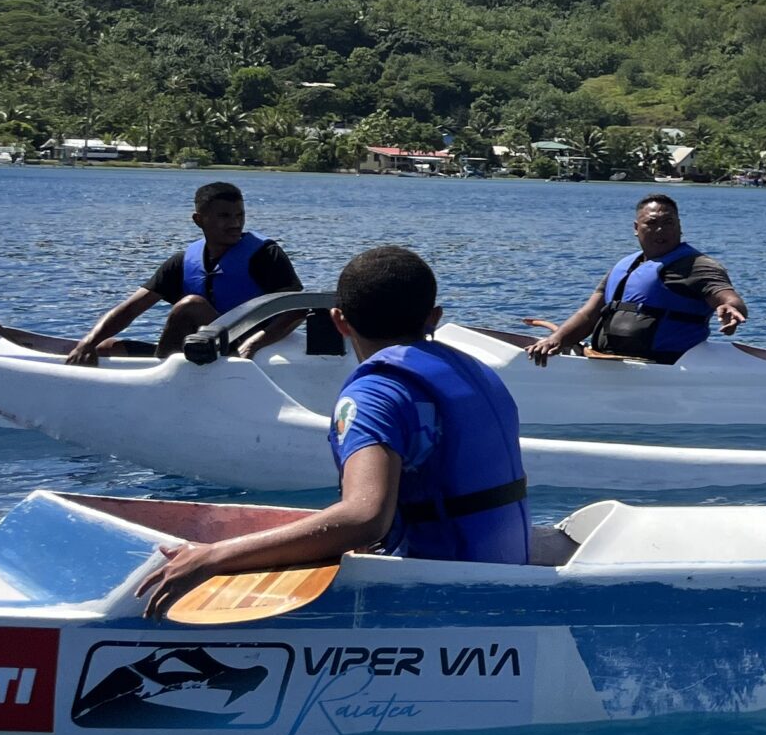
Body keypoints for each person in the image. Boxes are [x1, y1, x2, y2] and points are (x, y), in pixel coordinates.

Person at [139, 246, 532, 612]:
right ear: (434, 317)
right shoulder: (476, 372)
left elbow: (364, 518)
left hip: (441, 593)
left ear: (339, 321)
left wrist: (214, 556)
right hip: (507, 568)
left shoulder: (375, 395)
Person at [65, 181, 306, 366]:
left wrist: (254, 344)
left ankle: (160, 379)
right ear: (199, 220)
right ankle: (160, 369)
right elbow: (131, 308)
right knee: (105, 348)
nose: (235, 223)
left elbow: (296, 310)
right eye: (224, 216)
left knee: (191, 305)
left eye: (239, 215)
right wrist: (88, 342)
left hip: (243, 349)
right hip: (198, 350)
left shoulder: (265, 255)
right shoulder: (183, 261)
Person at [526, 194, 746, 365]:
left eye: (669, 222)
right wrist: (557, 339)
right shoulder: (626, 266)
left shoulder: (696, 265)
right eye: (651, 223)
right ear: (636, 228)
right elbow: (589, 314)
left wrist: (731, 308)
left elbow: (726, 296)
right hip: (606, 361)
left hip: (661, 367)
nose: (660, 229)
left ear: (680, 226)